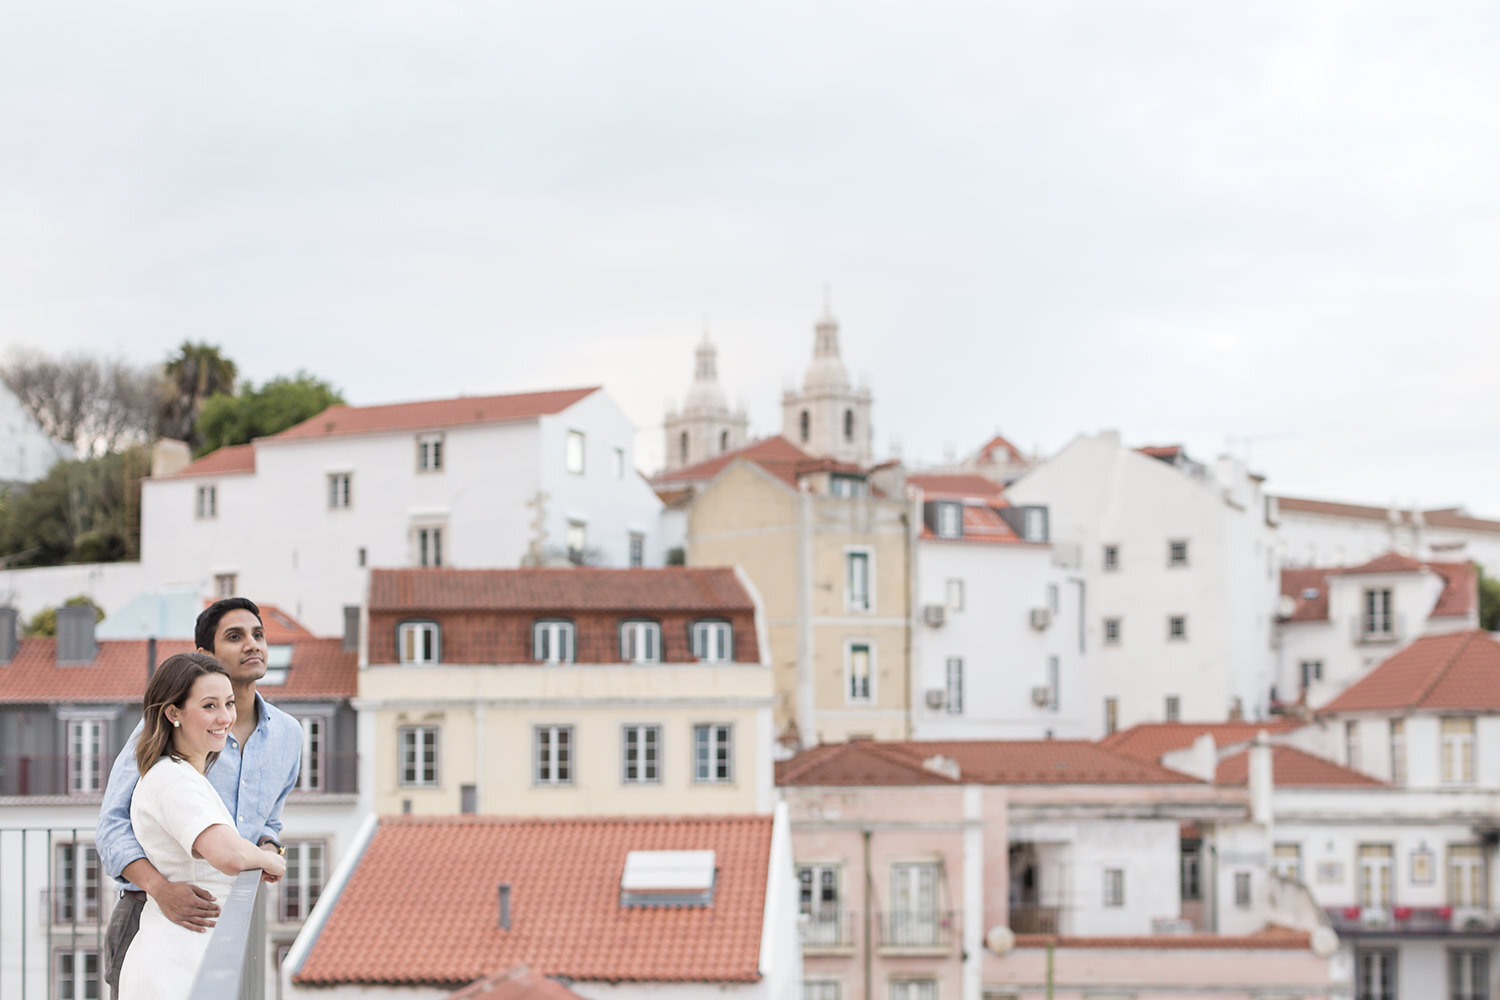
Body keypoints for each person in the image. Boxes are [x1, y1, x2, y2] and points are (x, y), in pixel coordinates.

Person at [98, 597, 303, 992]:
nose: (252, 645)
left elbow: (270, 820)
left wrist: (265, 847)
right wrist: (161, 890)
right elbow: (112, 827)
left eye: (258, 635)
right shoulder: (165, 746)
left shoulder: (288, 734)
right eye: (235, 636)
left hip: (225, 920)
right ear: (205, 655)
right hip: (153, 910)